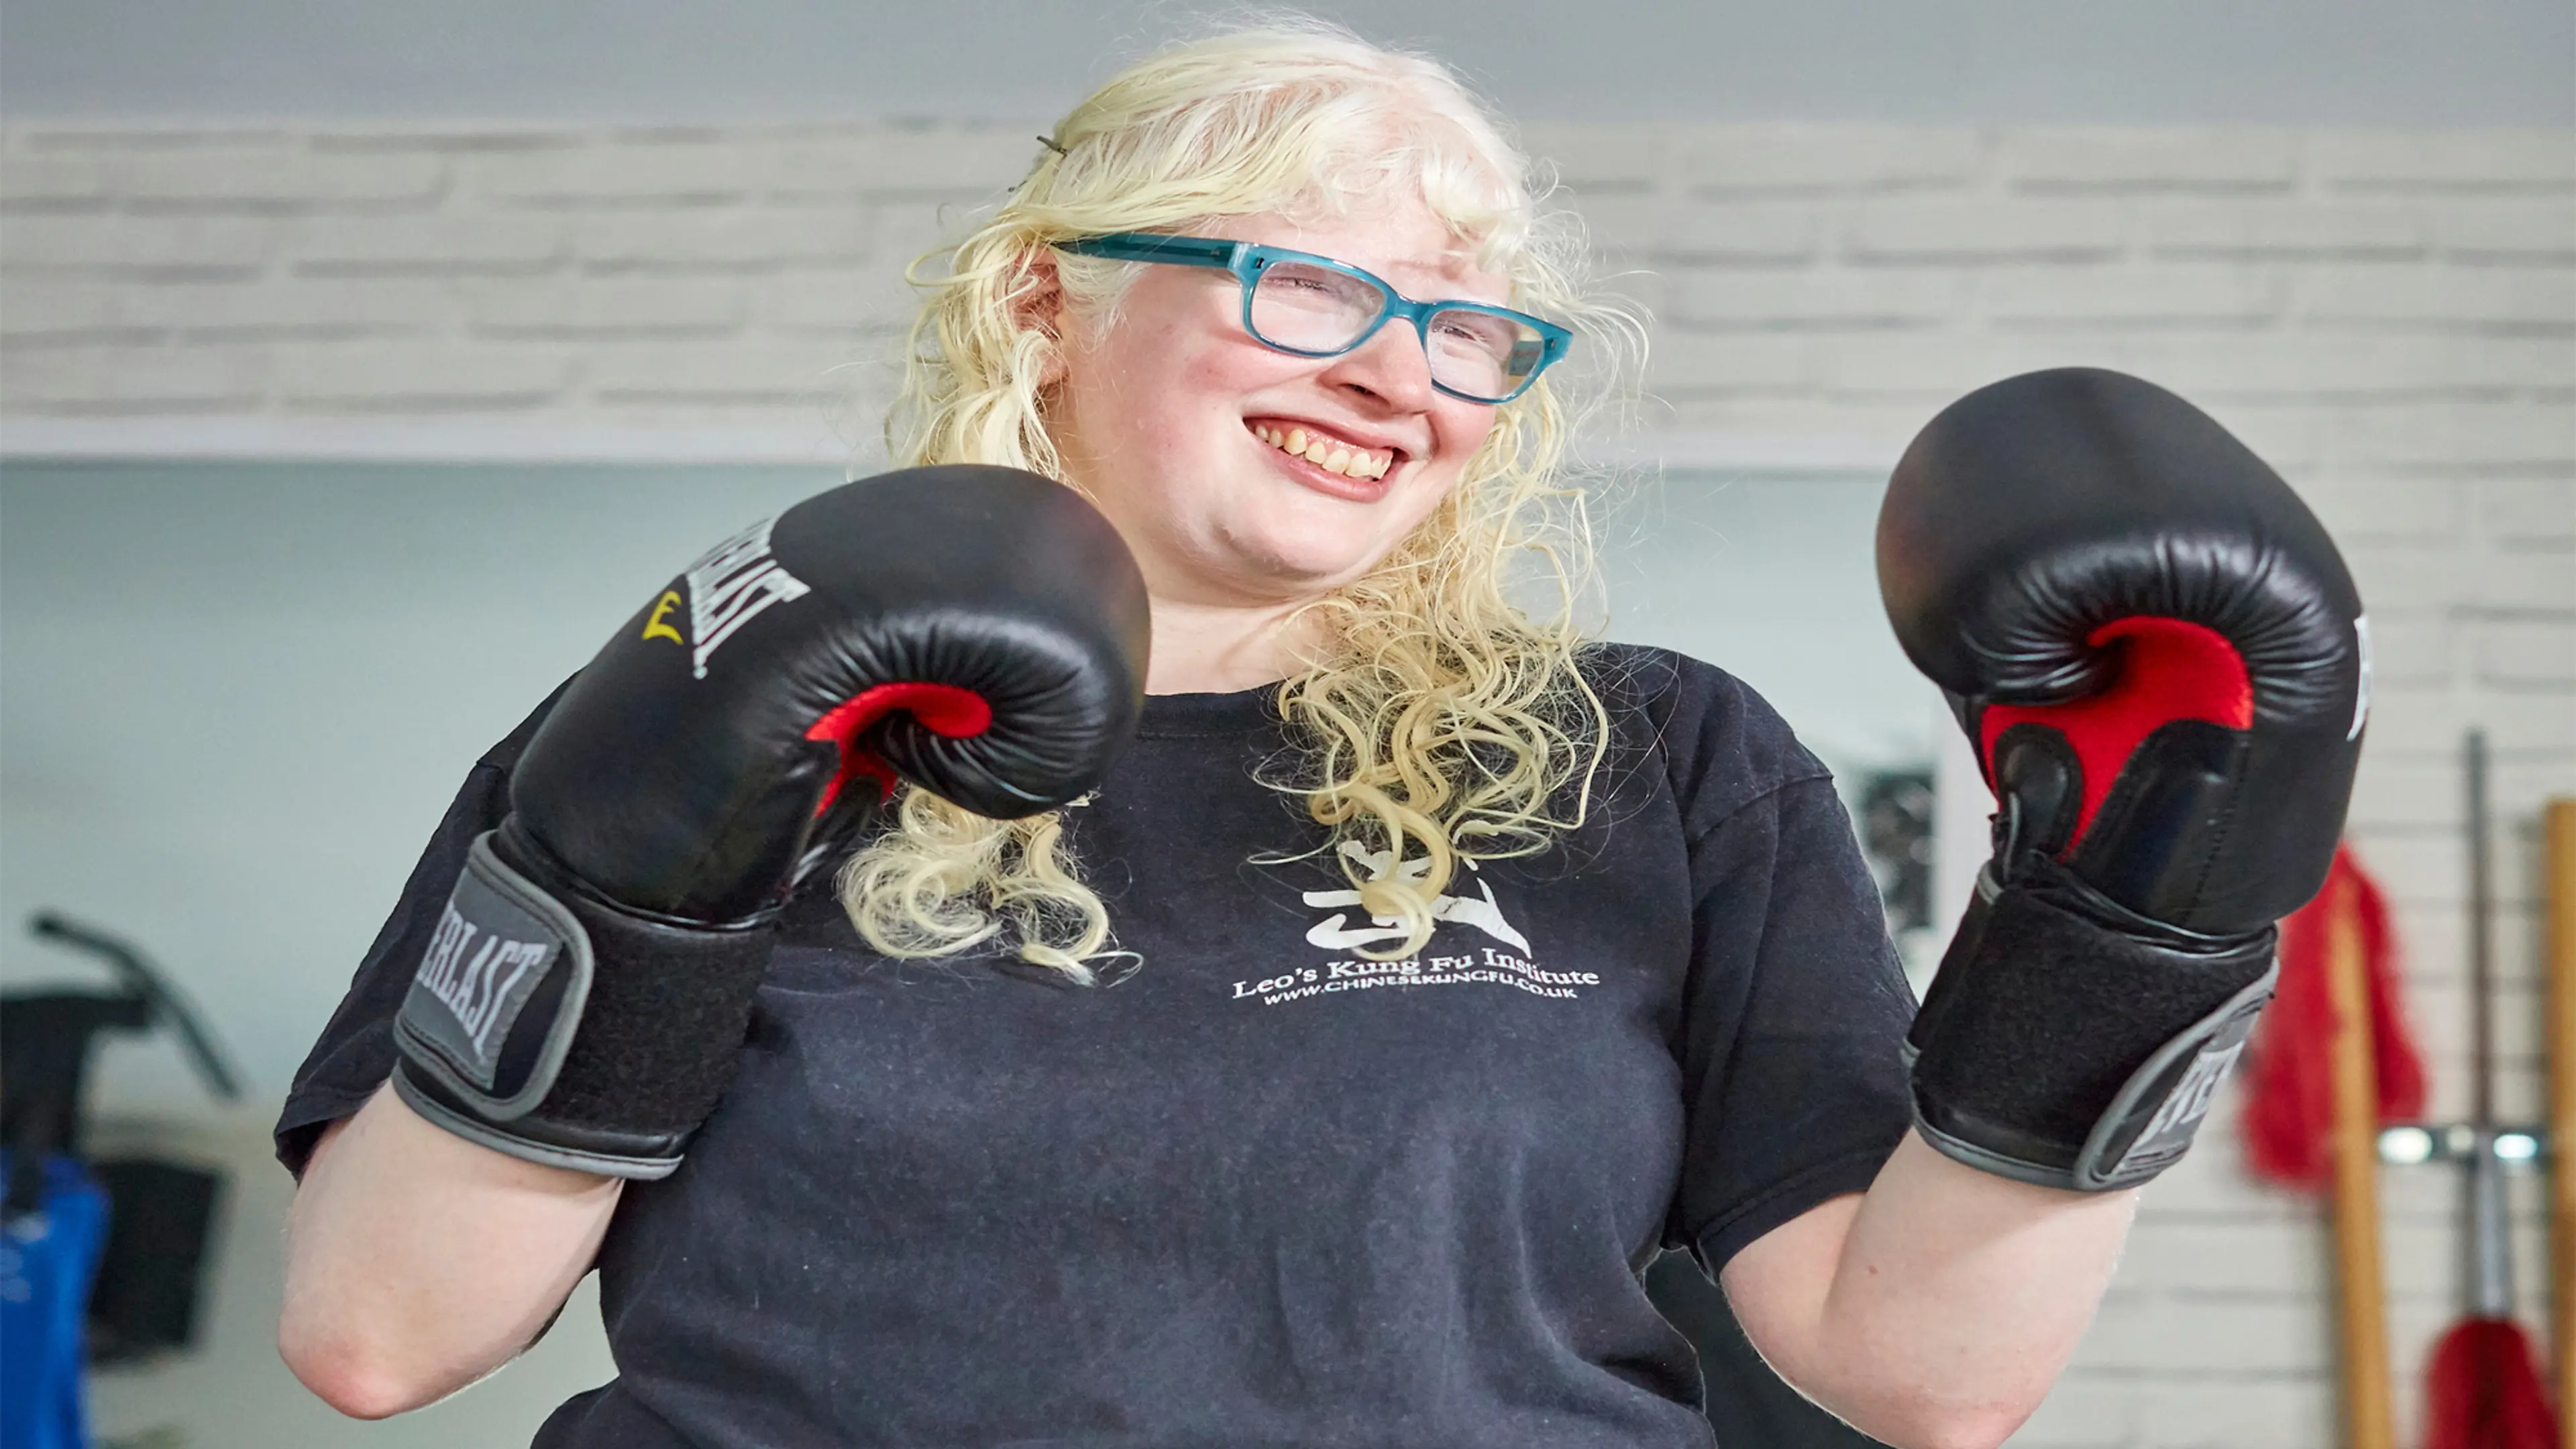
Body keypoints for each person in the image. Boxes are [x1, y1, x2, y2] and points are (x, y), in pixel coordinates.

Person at [272, 22, 2367, 1449]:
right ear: (1044, 304)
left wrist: (2131, 927)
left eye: (1464, 326)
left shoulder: (1647, 760)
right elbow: (378, 1336)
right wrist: (639, 848)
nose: (1398, 375)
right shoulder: (727, 709)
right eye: (1305, 285)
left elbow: (1917, 1375)